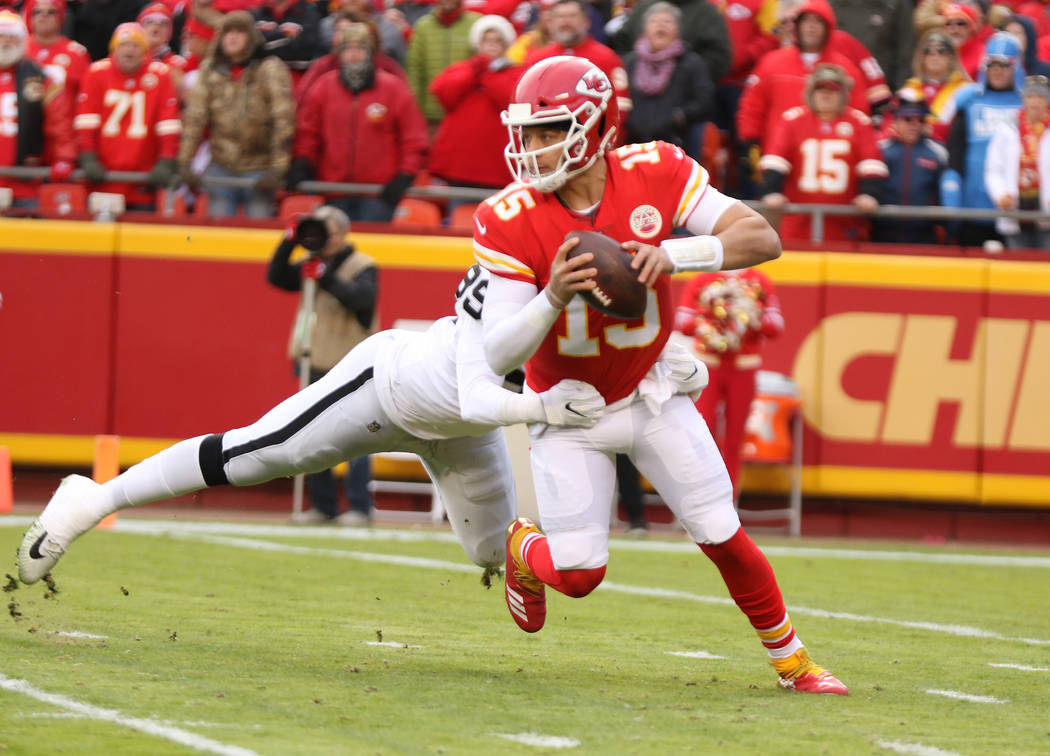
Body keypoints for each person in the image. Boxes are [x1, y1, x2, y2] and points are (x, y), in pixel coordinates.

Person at [474, 55, 848, 694]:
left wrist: (673, 254)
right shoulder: (507, 217)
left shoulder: (657, 169)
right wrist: (552, 296)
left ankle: (793, 661)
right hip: (570, 410)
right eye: (526, 134)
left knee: (720, 530)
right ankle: (523, 550)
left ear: (596, 129)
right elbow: (497, 354)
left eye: (548, 131)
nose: (532, 149)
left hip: (651, 390)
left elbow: (762, 237)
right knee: (581, 574)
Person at [16, 265, 615, 585]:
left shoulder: (590, 301)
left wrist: (668, 368)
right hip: (390, 388)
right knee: (256, 454)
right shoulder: (514, 261)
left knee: (491, 552)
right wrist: (540, 408)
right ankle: (92, 500)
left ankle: (527, 576)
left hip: (463, 430)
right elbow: (480, 393)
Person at [266, 205, 379, 525]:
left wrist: (325, 277)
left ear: (342, 234)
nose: (320, 240)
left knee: (358, 434)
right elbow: (276, 276)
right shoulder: (310, 263)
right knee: (314, 434)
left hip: (351, 361)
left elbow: (362, 301)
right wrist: (289, 242)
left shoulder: (363, 265)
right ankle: (323, 505)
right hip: (314, 358)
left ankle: (358, 507)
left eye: (325, 233)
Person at [288, 22, 427, 222]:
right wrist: (303, 161)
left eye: (360, 48)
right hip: (334, 190)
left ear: (370, 52)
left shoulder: (393, 88)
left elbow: (413, 137)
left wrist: (405, 175)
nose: (353, 54)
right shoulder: (323, 87)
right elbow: (309, 132)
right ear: (340, 53)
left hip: (378, 193)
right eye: (348, 49)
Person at [673, 268, 784, 500]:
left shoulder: (758, 279)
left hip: (744, 367)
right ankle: (698, 500)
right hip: (708, 367)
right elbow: (682, 321)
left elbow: (775, 324)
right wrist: (712, 317)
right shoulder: (703, 278)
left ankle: (728, 503)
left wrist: (748, 316)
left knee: (735, 439)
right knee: (702, 435)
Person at [736, 0, 873, 179]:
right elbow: (752, 104)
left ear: (828, 27)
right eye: (806, 21)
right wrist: (750, 140)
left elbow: (859, 113)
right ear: (797, 26)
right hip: (779, 158)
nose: (811, 27)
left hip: (829, 164)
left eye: (818, 22)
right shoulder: (771, 62)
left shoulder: (845, 68)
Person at [177, 11, 295, 218]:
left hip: (260, 168)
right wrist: (185, 162)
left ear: (251, 37)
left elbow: (283, 119)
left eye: (239, 32)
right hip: (222, 166)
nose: (232, 37)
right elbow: (195, 118)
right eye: (227, 32)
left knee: (258, 238)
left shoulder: (270, 69)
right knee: (221, 237)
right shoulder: (209, 71)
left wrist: (278, 168)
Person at [759, 64, 888, 242]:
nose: (826, 94)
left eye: (833, 89)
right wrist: (771, 191)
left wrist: (869, 193)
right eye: (820, 89)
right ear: (811, 92)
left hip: (845, 225)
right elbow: (775, 159)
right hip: (798, 223)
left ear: (843, 94)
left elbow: (871, 162)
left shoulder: (859, 122)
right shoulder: (792, 120)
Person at [74, 23, 181, 210]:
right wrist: (89, 157)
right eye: (124, 45)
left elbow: (168, 123)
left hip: (142, 180)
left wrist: (166, 159)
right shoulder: (96, 73)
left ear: (145, 52)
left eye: (135, 45)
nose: (129, 51)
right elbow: (86, 121)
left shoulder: (160, 75)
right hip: (103, 178)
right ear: (114, 49)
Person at [943, 32, 1024, 247]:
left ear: (1015, 68)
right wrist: (952, 186)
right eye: (991, 64)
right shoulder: (969, 100)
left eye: (1003, 65)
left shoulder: (1029, 104)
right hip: (974, 206)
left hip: (1016, 210)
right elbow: (956, 150)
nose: (996, 70)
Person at [428, 14, 522, 192]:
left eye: (498, 40)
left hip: (497, 168)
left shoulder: (515, 73)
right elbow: (442, 93)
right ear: (478, 43)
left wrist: (487, 74)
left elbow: (511, 100)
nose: (492, 44)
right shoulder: (465, 68)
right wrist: (474, 71)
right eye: (486, 40)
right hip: (457, 166)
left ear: (506, 44)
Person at [0, 10, 75, 208]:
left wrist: (64, 158)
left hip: (25, 181)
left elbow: (60, 123)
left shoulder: (40, 78)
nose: (6, 42)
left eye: (12, 38)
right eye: (1, 37)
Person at [621, 1, 711, 153]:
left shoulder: (691, 62)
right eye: (654, 21)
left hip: (677, 144)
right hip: (633, 145)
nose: (660, 26)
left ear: (678, 30)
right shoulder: (629, 63)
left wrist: (679, 116)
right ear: (645, 29)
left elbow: (704, 101)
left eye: (667, 22)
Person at [526, 0, 631, 118]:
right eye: (560, 17)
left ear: (586, 22)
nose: (565, 21)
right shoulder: (538, 60)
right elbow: (526, 101)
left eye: (572, 16)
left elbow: (621, 105)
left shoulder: (607, 58)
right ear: (550, 23)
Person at [984, 74, 1050, 249]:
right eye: (1030, 96)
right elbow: (993, 169)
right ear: (1023, 100)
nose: (1034, 102)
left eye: (1040, 97)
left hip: (1046, 211)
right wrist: (1000, 194)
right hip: (1015, 208)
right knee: (1018, 262)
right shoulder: (1006, 131)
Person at [873, 95, 947, 245]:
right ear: (895, 122)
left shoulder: (938, 152)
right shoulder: (879, 150)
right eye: (908, 119)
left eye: (920, 120)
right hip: (883, 234)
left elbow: (944, 194)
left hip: (924, 236)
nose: (915, 125)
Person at [610, 0, 730, 86]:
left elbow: (719, 58)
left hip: (686, 99)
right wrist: (632, 69)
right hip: (638, 94)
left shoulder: (707, 12)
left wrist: (685, 74)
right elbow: (620, 43)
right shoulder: (645, 6)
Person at [405, 0, 482, 131]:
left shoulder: (476, 23)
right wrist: (416, 111)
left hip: (465, 113)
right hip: (431, 116)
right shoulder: (423, 27)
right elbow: (415, 71)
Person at [897, 29, 972, 144]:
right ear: (922, 57)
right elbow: (891, 127)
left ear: (951, 57)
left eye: (941, 51)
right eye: (928, 51)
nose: (934, 56)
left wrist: (933, 130)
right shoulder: (908, 91)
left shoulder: (965, 90)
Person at [827, 0, 915, 91]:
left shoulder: (896, 4)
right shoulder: (830, 4)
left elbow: (905, 53)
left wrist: (901, 92)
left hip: (881, 90)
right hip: (835, 88)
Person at [23, 0, 90, 107]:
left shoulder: (76, 54)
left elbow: (85, 95)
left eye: (51, 12)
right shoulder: (19, 51)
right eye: (37, 12)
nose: (43, 16)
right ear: (29, 17)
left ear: (61, 17)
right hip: (24, 119)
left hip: (64, 119)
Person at [251, 0, 323, 84]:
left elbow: (306, 53)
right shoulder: (254, 14)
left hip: (297, 84)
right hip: (258, 81)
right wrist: (288, 38)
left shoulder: (309, 13)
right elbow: (251, 50)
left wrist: (266, 43)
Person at [137, 3, 187, 91]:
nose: (156, 26)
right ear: (140, 28)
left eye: (163, 23)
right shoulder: (131, 61)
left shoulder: (179, 64)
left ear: (169, 32)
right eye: (150, 22)